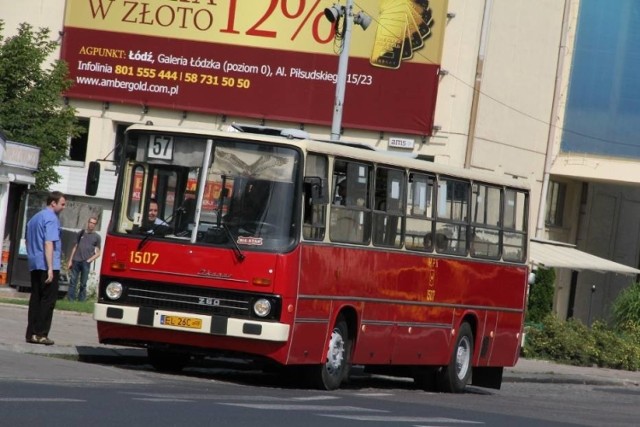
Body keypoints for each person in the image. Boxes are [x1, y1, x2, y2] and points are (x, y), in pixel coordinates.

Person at [25, 191, 66, 346]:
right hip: (48, 264)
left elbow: (28, 240)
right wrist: (50, 268)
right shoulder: (51, 218)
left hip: (35, 263)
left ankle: (31, 333)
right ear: (53, 203)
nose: (63, 207)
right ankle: (41, 334)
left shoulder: (35, 218)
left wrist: (32, 257)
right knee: (48, 301)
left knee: (35, 298)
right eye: (62, 204)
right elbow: (49, 243)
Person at [66, 216, 101, 302]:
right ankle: (71, 300)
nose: (91, 225)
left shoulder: (97, 237)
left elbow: (98, 253)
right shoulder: (81, 233)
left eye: (94, 223)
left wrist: (89, 260)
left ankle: (81, 300)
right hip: (76, 260)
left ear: (95, 225)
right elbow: (75, 247)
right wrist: (70, 260)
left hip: (85, 263)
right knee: (73, 281)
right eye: (90, 223)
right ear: (88, 223)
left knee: (83, 283)